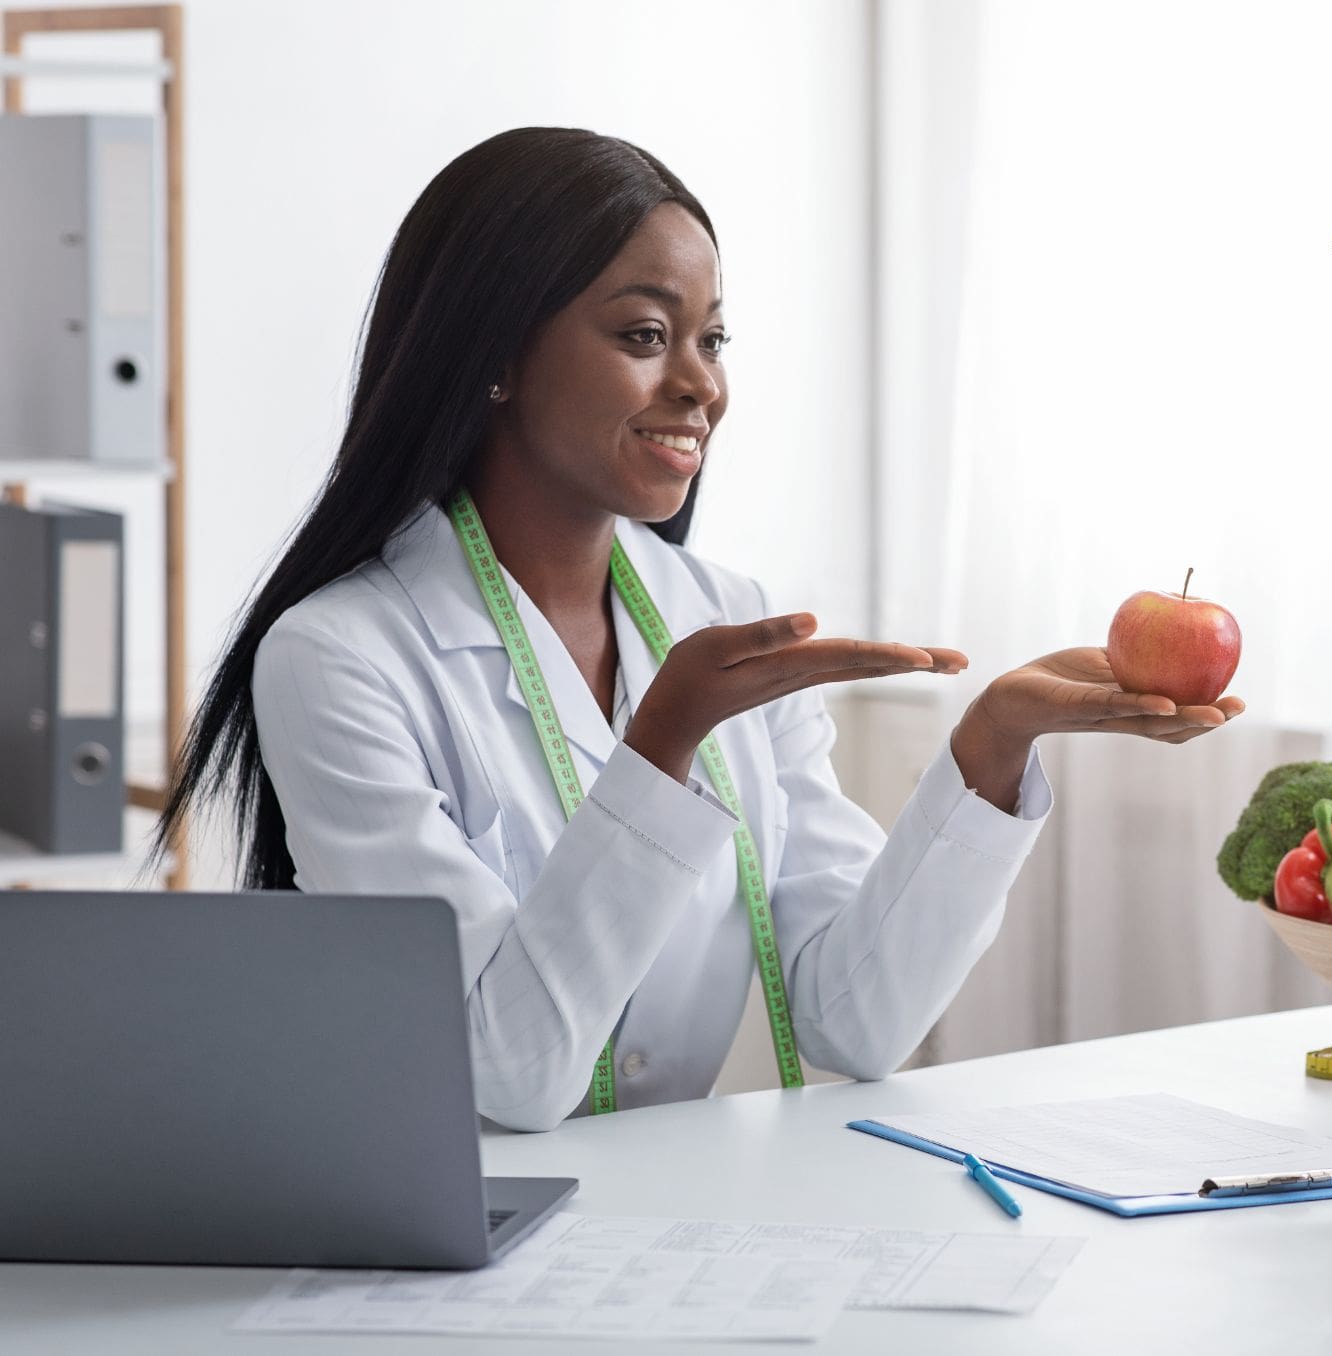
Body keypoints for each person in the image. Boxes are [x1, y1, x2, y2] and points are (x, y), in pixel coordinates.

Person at [153, 127, 1242, 1133]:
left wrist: (992, 748)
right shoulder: (338, 658)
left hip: (659, 1223)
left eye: (711, 339)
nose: (701, 384)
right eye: (645, 335)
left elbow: (854, 1020)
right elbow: (508, 1073)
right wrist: (662, 746)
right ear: (496, 355)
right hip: (448, 1225)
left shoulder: (724, 618)